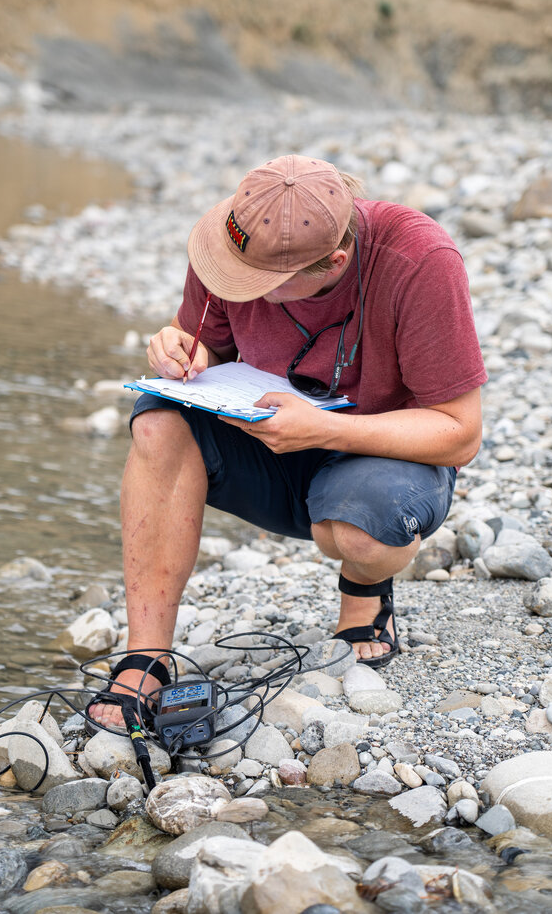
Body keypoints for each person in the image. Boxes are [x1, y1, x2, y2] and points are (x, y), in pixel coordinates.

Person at [87, 154, 486, 731]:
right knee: (156, 422)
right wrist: (182, 349)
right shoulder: (232, 240)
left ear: (334, 262)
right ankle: (147, 656)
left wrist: (326, 429)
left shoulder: (419, 260)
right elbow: (213, 353)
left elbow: (459, 432)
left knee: (356, 535)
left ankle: (365, 586)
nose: (234, 286)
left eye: (257, 285)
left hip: (383, 450)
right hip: (271, 437)